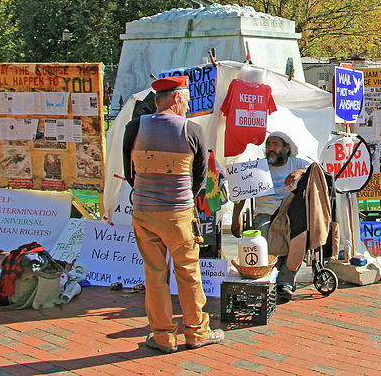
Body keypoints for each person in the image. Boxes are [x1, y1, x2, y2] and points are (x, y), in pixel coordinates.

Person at [123, 75, 224, 353]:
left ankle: (163, 336)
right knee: (189, 272)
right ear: (177, 99)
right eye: (187, 100)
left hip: (144, 211)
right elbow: (199, 179)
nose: (188, 106)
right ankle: (196, 331)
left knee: (154, 275)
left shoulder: (135, 127)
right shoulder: (191, 130)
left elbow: (130, 173)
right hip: (178, 212)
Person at [231, 132, 309, 300]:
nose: (271, 148)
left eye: (275, 144)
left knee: (299, 238)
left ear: (287, 148)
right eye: (268, 145)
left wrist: (300, 172)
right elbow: (242, 191)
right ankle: (261, 281)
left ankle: (285, 282)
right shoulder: (258, 167)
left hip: (290, 213)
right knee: (261, 238)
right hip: (265, 213)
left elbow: (317, 171)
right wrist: (235, 217)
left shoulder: (298, 163)